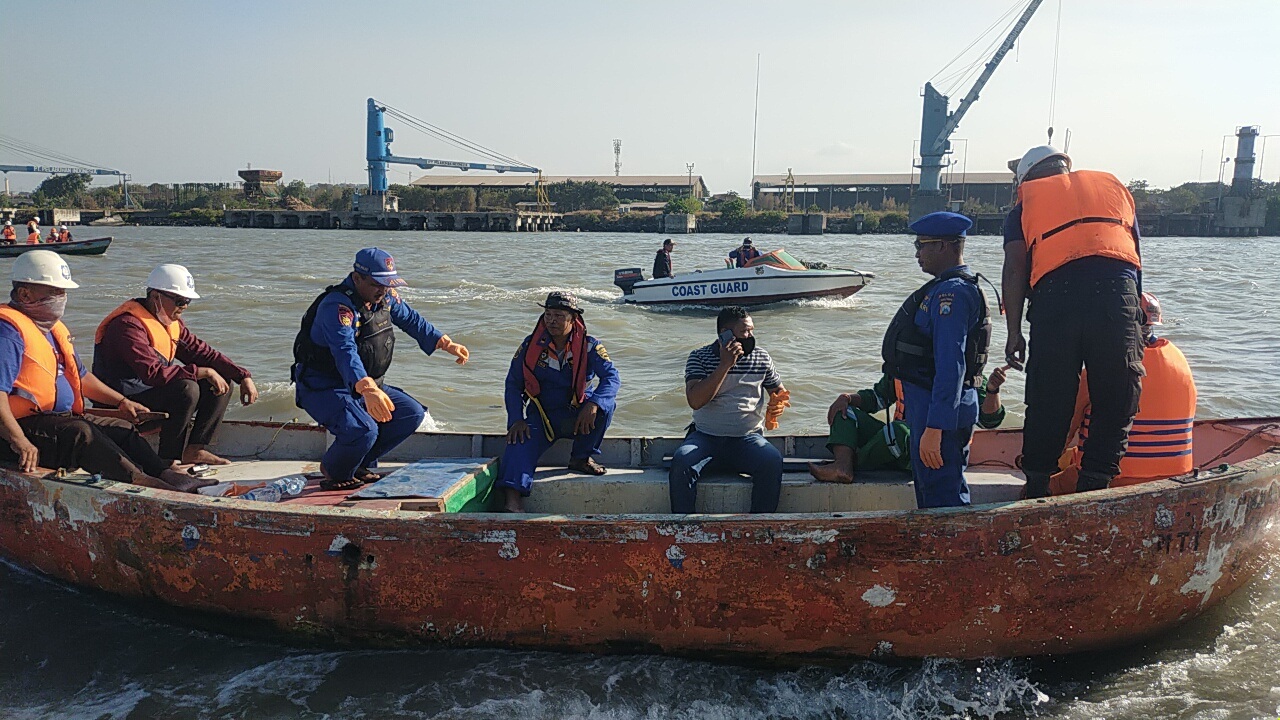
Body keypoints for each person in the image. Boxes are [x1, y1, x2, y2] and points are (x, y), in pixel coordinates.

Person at [0, 251, 208, 492]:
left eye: (64, 292)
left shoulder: (49, 329)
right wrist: (20, 442)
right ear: (25, 293)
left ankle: (166, 474)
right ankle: (143, 483)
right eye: (57, 292)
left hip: (56, 420)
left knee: (122, 429)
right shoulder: (8, 332)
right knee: (81, 433)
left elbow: (82, 378)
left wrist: (121, 401)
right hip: (16, 430)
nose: (63, 299)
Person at [1002, 146, 1143, 498]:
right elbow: (1135, 254)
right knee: (1117, 391)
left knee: (1050, 393)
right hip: (1118, 293)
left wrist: (1015, 332)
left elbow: (1016, 268)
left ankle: (1036, 485)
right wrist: (1134, 317)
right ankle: (1095, 484)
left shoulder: (1025, 205)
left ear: (1026, 179)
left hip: (1058, 295)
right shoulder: (1113, 189)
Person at [292, 248, 469, 491]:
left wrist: (444, 343)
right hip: (324, 386)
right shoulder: (337, 308)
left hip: (369, 385)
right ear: (357, 279)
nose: (383, 290)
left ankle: (359, 463)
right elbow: (345, 351)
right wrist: (367, 389)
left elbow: (412, 320)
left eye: (387, 284)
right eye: (377, 284)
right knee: (363, 429)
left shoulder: (384, 298)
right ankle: (335, 470)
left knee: (411, 414)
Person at [92, 264, 258, 468]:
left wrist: (242, 376)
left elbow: (202, 353)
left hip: (151, 393)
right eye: (180, 301)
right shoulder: (127, 326)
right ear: (155, 297)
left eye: (187, 302)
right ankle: (168, 459)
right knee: (187, 387)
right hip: (124, 400)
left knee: (220, 383)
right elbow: (153, 374)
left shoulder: (172, 324)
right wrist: (201, 371)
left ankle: (195, 450)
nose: (184, 307)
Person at [881, 211, 992, 508]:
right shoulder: (943, 289)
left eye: (922, 245)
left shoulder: (952, 296)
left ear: (943, 246)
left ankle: (954, 553)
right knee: (932, 495)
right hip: (929, 408)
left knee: (944, 500)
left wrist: (935, 428)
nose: (917, 253)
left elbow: (951, 364)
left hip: (939, 411)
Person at [1053, 292, 1195, 493]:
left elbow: (1062, 434)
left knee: (1038, 486)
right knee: (1070, 455)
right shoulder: (1179, 361)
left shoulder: (1099, 371)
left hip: (1117, 479)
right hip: (1174, 478)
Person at [498, 291, 620, 512]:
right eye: (548, 314)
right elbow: (513, 384)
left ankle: (581, 458)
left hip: (578, 415)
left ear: (573, 320)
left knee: (605, 406)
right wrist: (516, 418)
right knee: (517, 440)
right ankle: (513, 502)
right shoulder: (530, 347)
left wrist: (594, 404)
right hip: (543, 417)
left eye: (559, 315)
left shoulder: (590, 346)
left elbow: (612, 378)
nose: (552, 320)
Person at [669, 306, 791, 514]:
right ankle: (684, 527)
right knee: (682, 461)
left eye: (752, 331)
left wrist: (777, 402)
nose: (750, 336)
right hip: (706, 437)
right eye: (745, 331)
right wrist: (725, 365)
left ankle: (760, 527)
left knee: (772, 460)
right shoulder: (699, 357)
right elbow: (695, 400)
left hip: (747, 438)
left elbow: (777, 390)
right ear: (725, 333)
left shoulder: (761, 357)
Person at [809, 366, 1008, 484]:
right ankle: (842, 466)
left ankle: (852, 465)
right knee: (845, 411)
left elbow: (989, 420)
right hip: (897, 446)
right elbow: (877, 398)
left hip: (931, 456)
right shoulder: (904, 366)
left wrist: (992, 390)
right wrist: (847, 398)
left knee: (897, 432)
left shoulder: (964, 370)